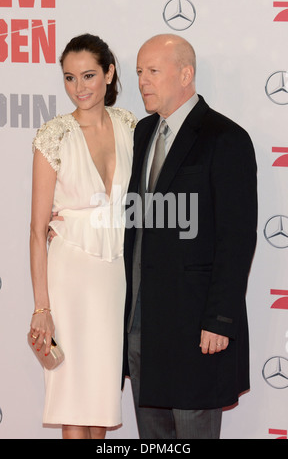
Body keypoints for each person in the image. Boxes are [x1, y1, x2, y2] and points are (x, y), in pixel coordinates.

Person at [122, 34, 257, 439]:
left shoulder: (225, 137)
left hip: (197, 327)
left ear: (186, 74)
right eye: (140, 72)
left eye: (154, 71)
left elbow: (236, 238)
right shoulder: (144, 132)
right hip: (143, 325)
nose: (143, 81)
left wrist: (220, 319)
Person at [29, 33, 136, 439]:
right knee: (74, 395)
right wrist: (42, 307)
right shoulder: (53, 135)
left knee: (100, 395)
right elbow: (38, 230)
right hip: (69, 272)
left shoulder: (130, 126)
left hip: (114, 274)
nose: (80, 88)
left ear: (109, 73)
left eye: (89, 75)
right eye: (70, 78)